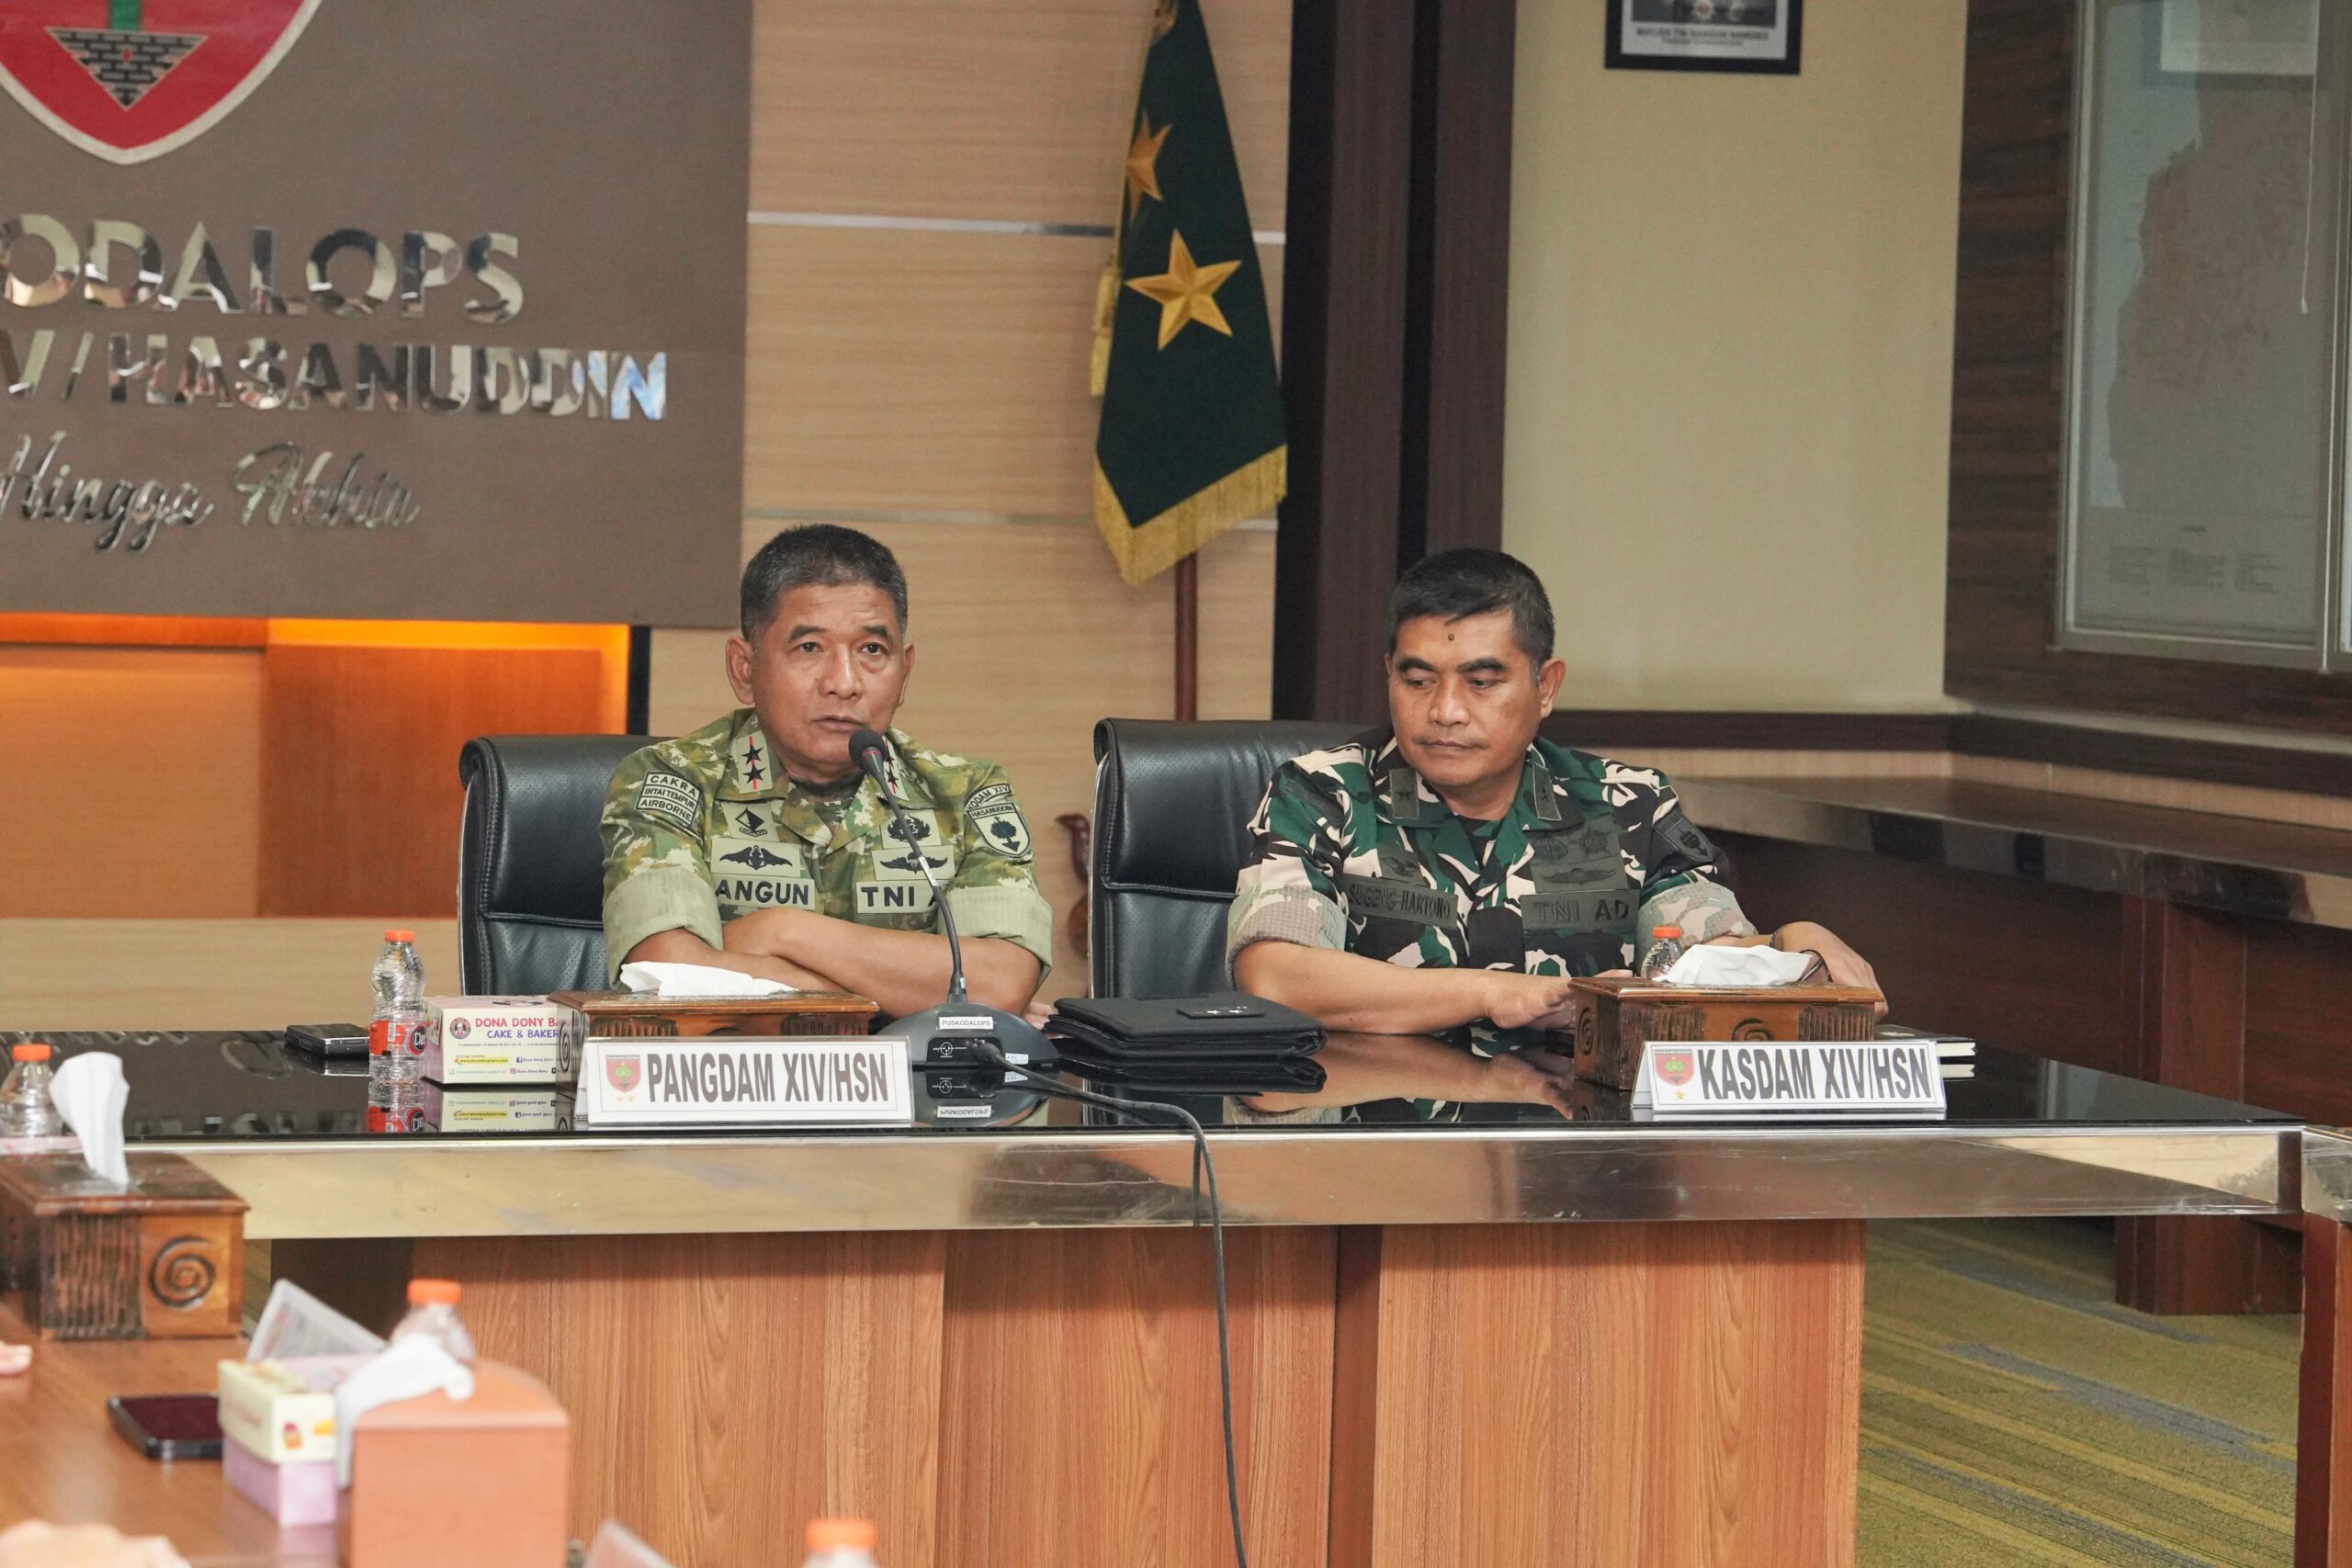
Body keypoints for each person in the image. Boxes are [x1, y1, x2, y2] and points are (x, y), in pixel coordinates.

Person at [1228, 547, 1879, 1051]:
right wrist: (1495, 993)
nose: (1446, 710)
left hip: (1575, 1141)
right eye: (1418, 680)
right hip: (1374, 1140)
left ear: (1546, 686)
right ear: (1388, 675)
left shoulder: (1628, 805)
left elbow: (1703, 964)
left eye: (1482, 682)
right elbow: (1276, 977)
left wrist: (1788, 946)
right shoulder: (1323, 793)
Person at [600, 525, 1052, 1016]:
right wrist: (914, 997)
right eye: (810, 648)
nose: (844, 682)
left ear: (905, 671)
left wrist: (780, 931)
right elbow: (668, 975)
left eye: (872, 650)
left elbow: (999, 982)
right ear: (744, 669)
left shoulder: (965, 792)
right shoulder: (674, 779)